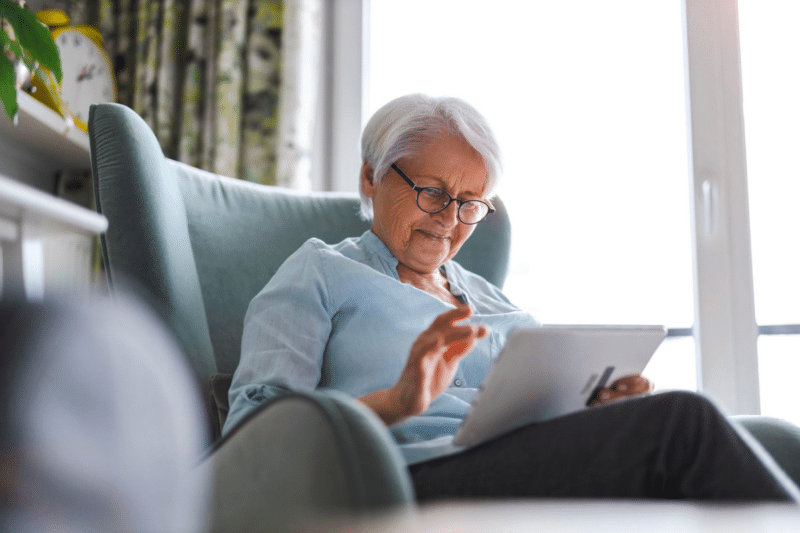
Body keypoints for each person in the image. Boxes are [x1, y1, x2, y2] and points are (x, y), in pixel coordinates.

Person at [224, 93, 800, 502]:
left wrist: (594, 410)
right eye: (432, 192)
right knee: (683, 422)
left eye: (470, 203)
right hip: (404, 481)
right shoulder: (322, 272)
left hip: (523, 462)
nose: (450, 219)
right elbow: (250, 438)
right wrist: (395, 402)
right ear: (371, 178)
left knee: (671, 427)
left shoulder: (492, 301)